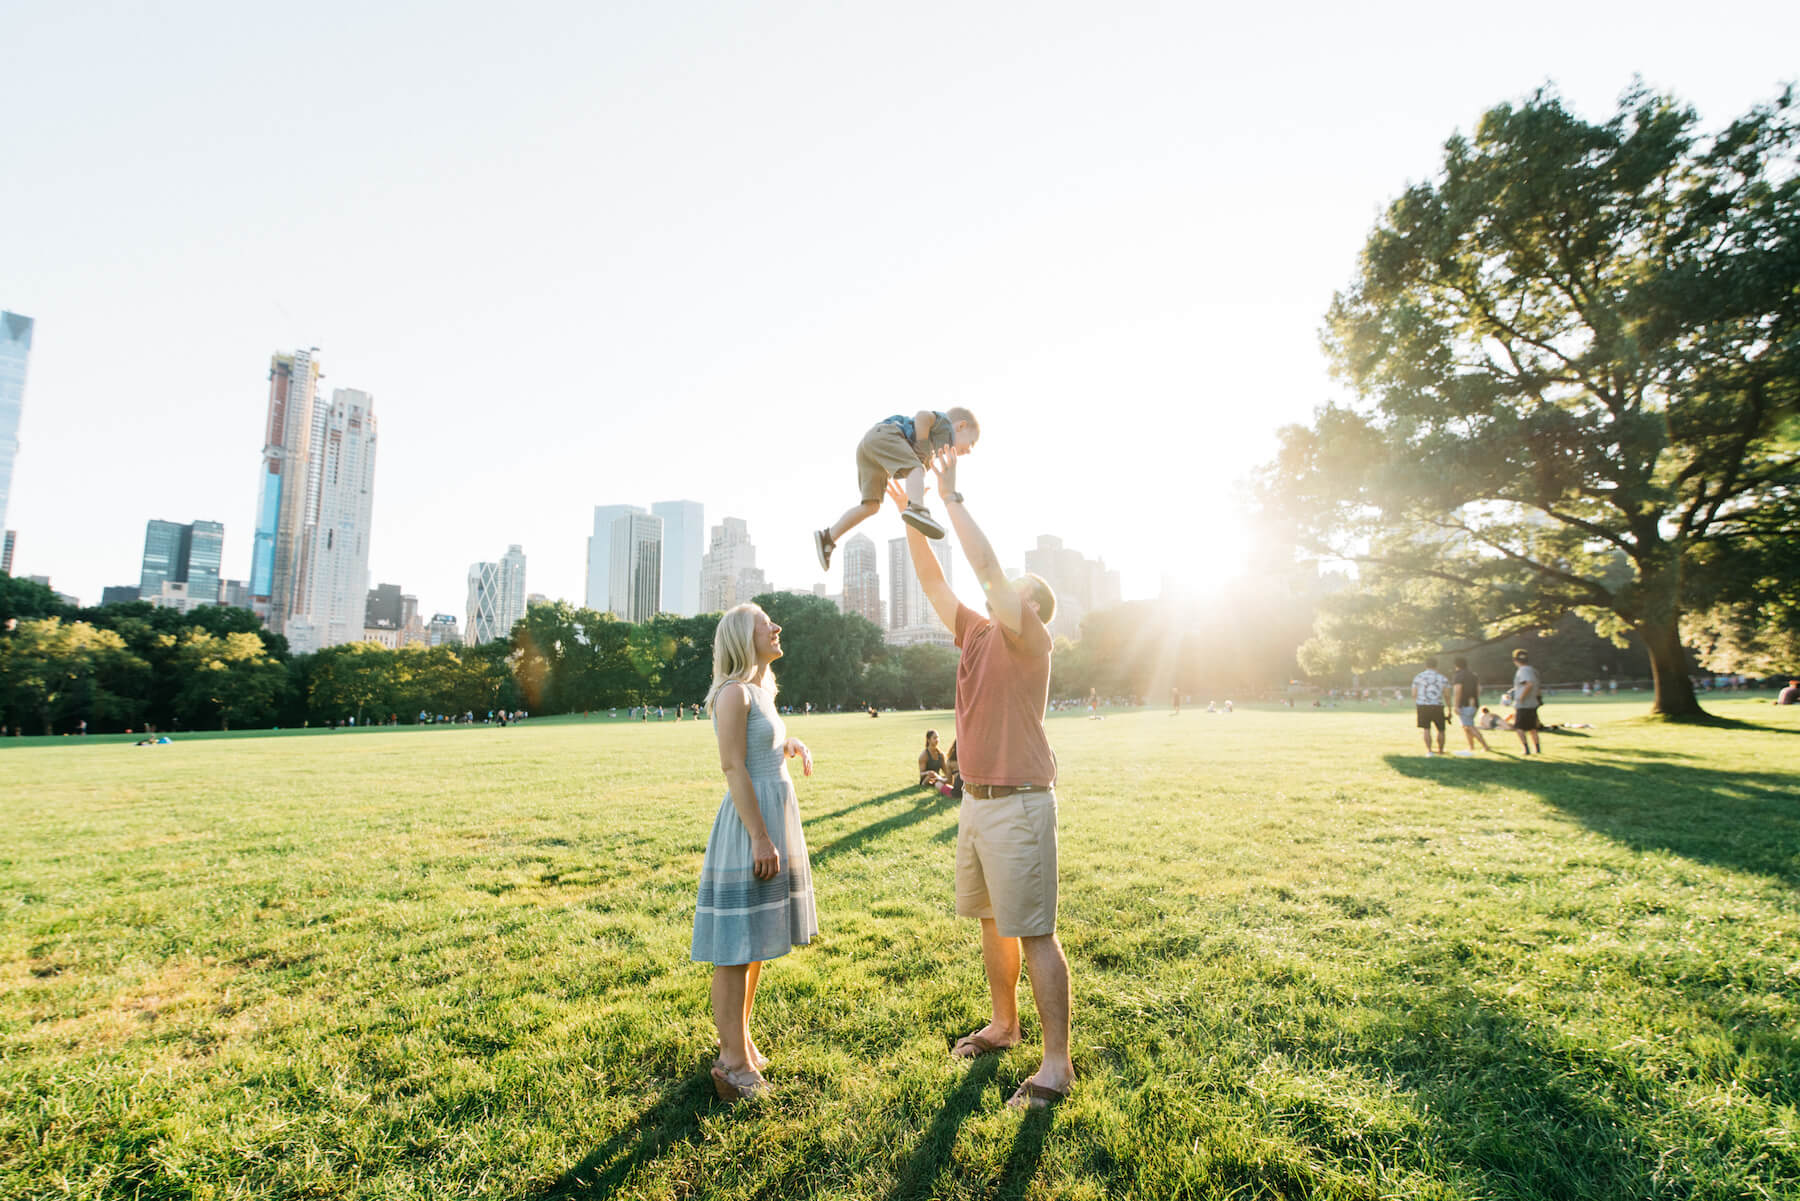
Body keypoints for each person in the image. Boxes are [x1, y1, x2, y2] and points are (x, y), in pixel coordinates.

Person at [887, 453, 1073, 1112]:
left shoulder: (1030, 638)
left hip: (1021, 802)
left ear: (1030, 604)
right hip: (975, 800)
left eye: (1015, 585)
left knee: (1035, 931)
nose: (1003, 588)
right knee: (993, 923)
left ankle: (1056, 1065)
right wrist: (913, 514)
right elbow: (935, 579)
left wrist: (949, 495)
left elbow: (987, 568)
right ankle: (1004, 1023)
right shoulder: (975, 631)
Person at [691, 604, 817, 1103]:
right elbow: (732, 767)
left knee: (756, 941)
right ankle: (731, 1063)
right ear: (745, 637)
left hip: (771, 814)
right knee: (734, 949)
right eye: (766, 622)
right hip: (751, 826)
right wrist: (761, 838)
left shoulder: (762, 692)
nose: (776, 626)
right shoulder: (733, 694)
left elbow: (759, 750)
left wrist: (789, 746)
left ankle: (739, 1041)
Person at [813, 408, 980, 569]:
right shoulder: (945, 426)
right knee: (917, 468)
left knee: (871, 506)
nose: (969, 451)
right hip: (886, 435)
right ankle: (917, 509)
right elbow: (922, 416)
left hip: (869, 450)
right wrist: (922, 446)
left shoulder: (936, 449)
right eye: (971, 443)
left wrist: (916, 489)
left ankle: (828, 537)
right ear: (961, 426)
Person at [1449, 655, 1491, 755]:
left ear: (1456, 665)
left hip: (1464, 704)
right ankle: (1471, 747)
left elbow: (1457, 691)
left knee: (1469, 726)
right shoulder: (1473, 675)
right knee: (1466, 726)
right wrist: (1475, 699)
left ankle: (1485, 746)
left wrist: (1456, 705)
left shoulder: (1458, 675)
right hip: (1474, 704)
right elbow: (1478, 689)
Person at [1411, 656, 1449, 756]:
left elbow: (1414, 693)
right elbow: (1447, 695)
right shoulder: (1442, 678)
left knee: (1426, 729)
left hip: (1423, 705)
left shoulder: (1419, 677)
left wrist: (1418, 702)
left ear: (1425, 665)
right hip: (1437, 706)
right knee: (1441, 729)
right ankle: (1441, 750)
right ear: (1437, 665)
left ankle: (1429, 750)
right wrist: (1449, 709)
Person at [1511, 649, 1544, 754]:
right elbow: (1537, 687)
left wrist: (1521, 697)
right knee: (1532, 727)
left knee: (1518, 727)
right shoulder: (1533, 670)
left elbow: (1529, 684)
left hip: (1524, 704)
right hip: (1532, 702)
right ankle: (1537, 749)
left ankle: (1526, 749)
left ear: (1515, 660)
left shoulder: (1523, 670)